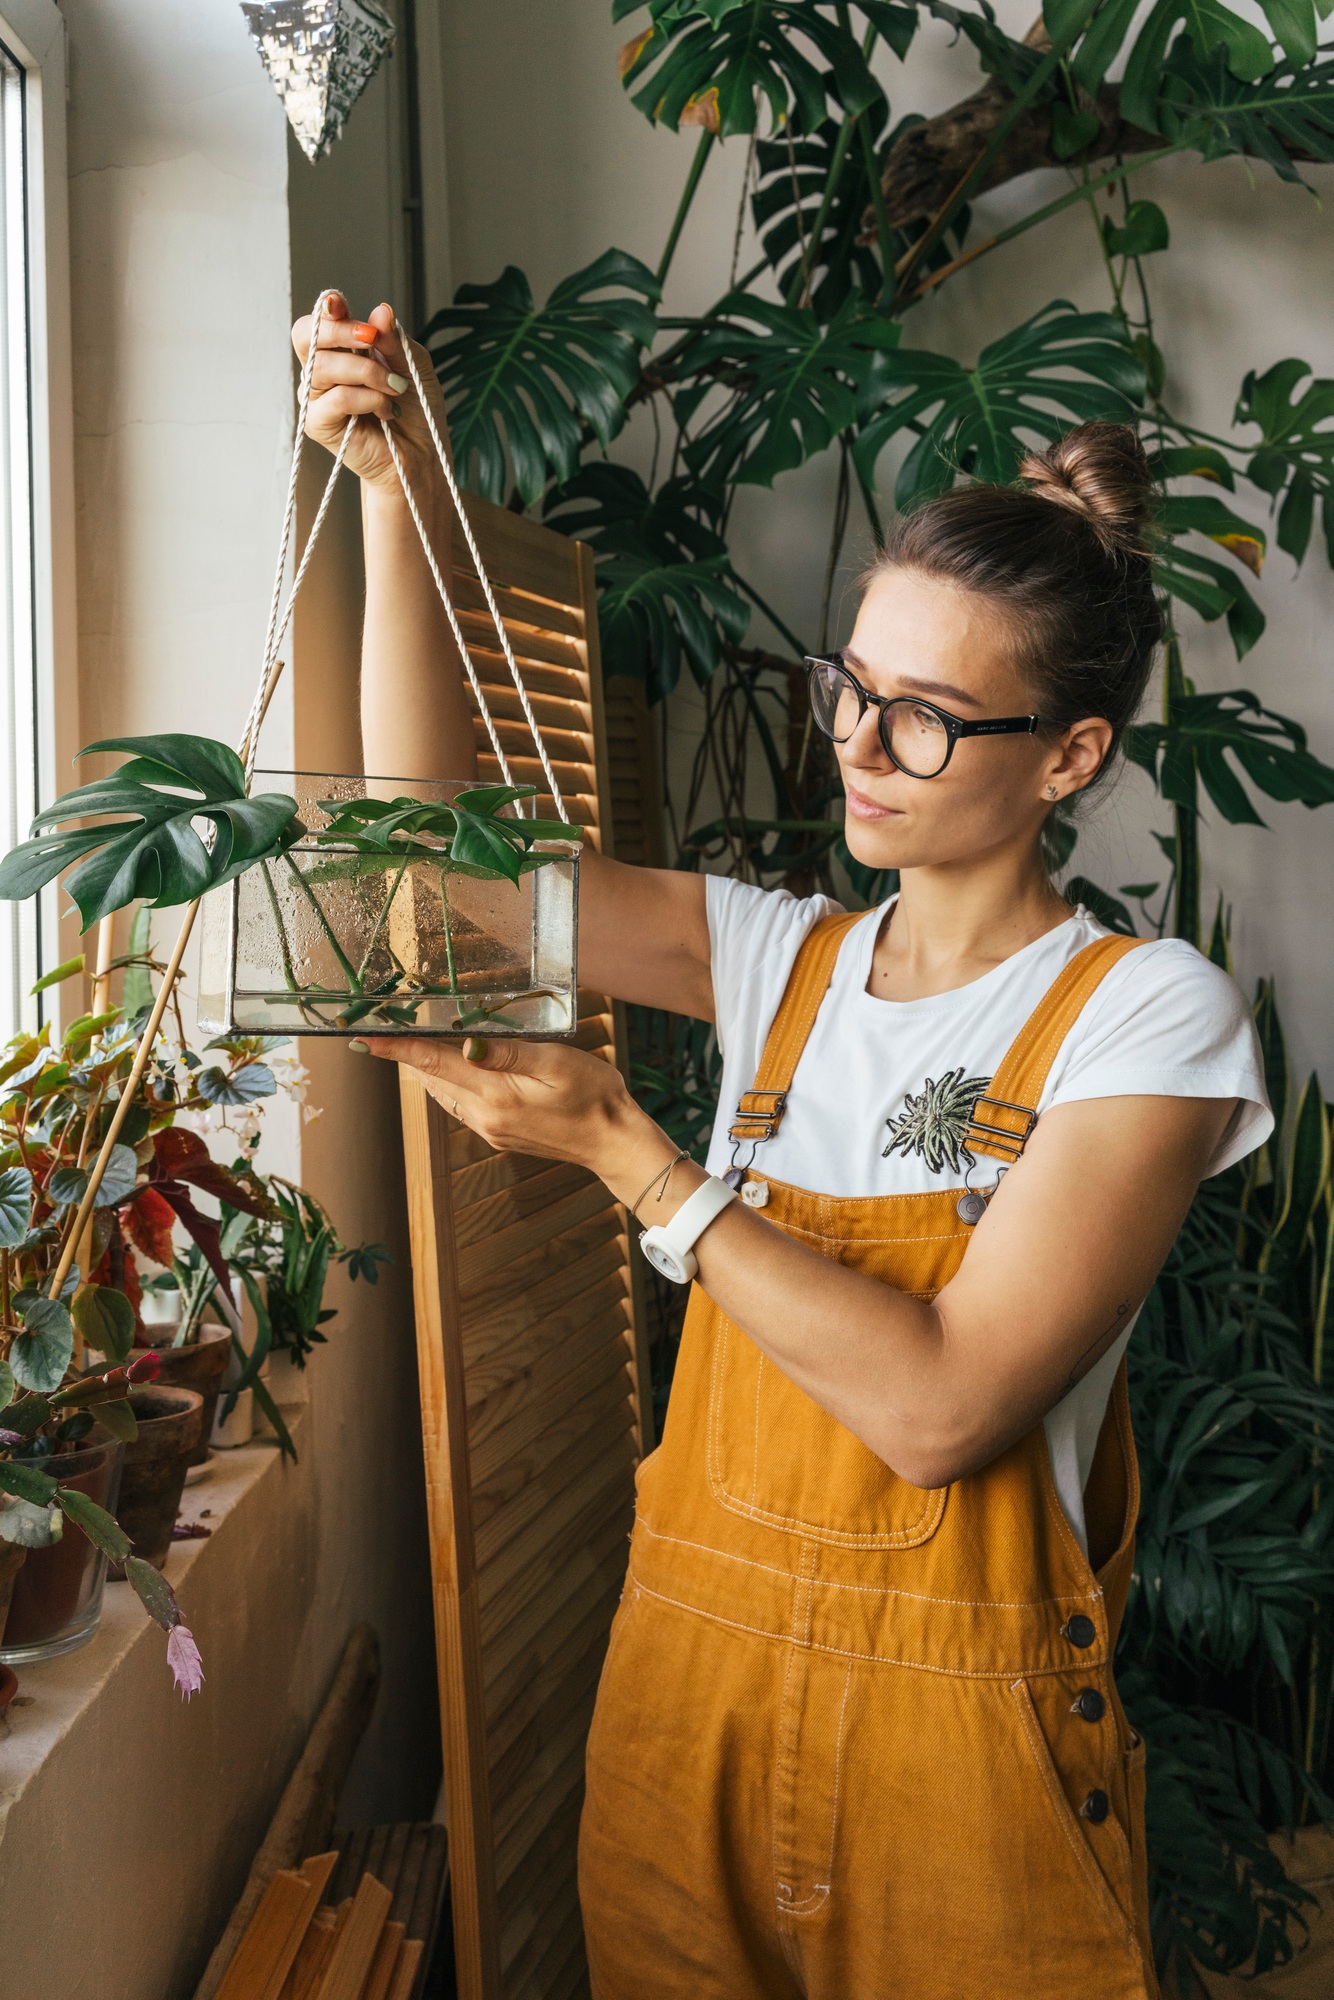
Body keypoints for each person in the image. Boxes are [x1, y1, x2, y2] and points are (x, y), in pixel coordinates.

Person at [293, 296, 1271, 2000]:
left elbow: (941, 1408)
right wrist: (397, 497)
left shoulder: (1145, 1017)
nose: (856, 747)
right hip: (689, 1717)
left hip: (959, 1768)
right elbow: (422, 876)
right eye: (851, 687)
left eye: (926, 719)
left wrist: (633, 1159)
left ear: (1070, 757)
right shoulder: (774, 957)